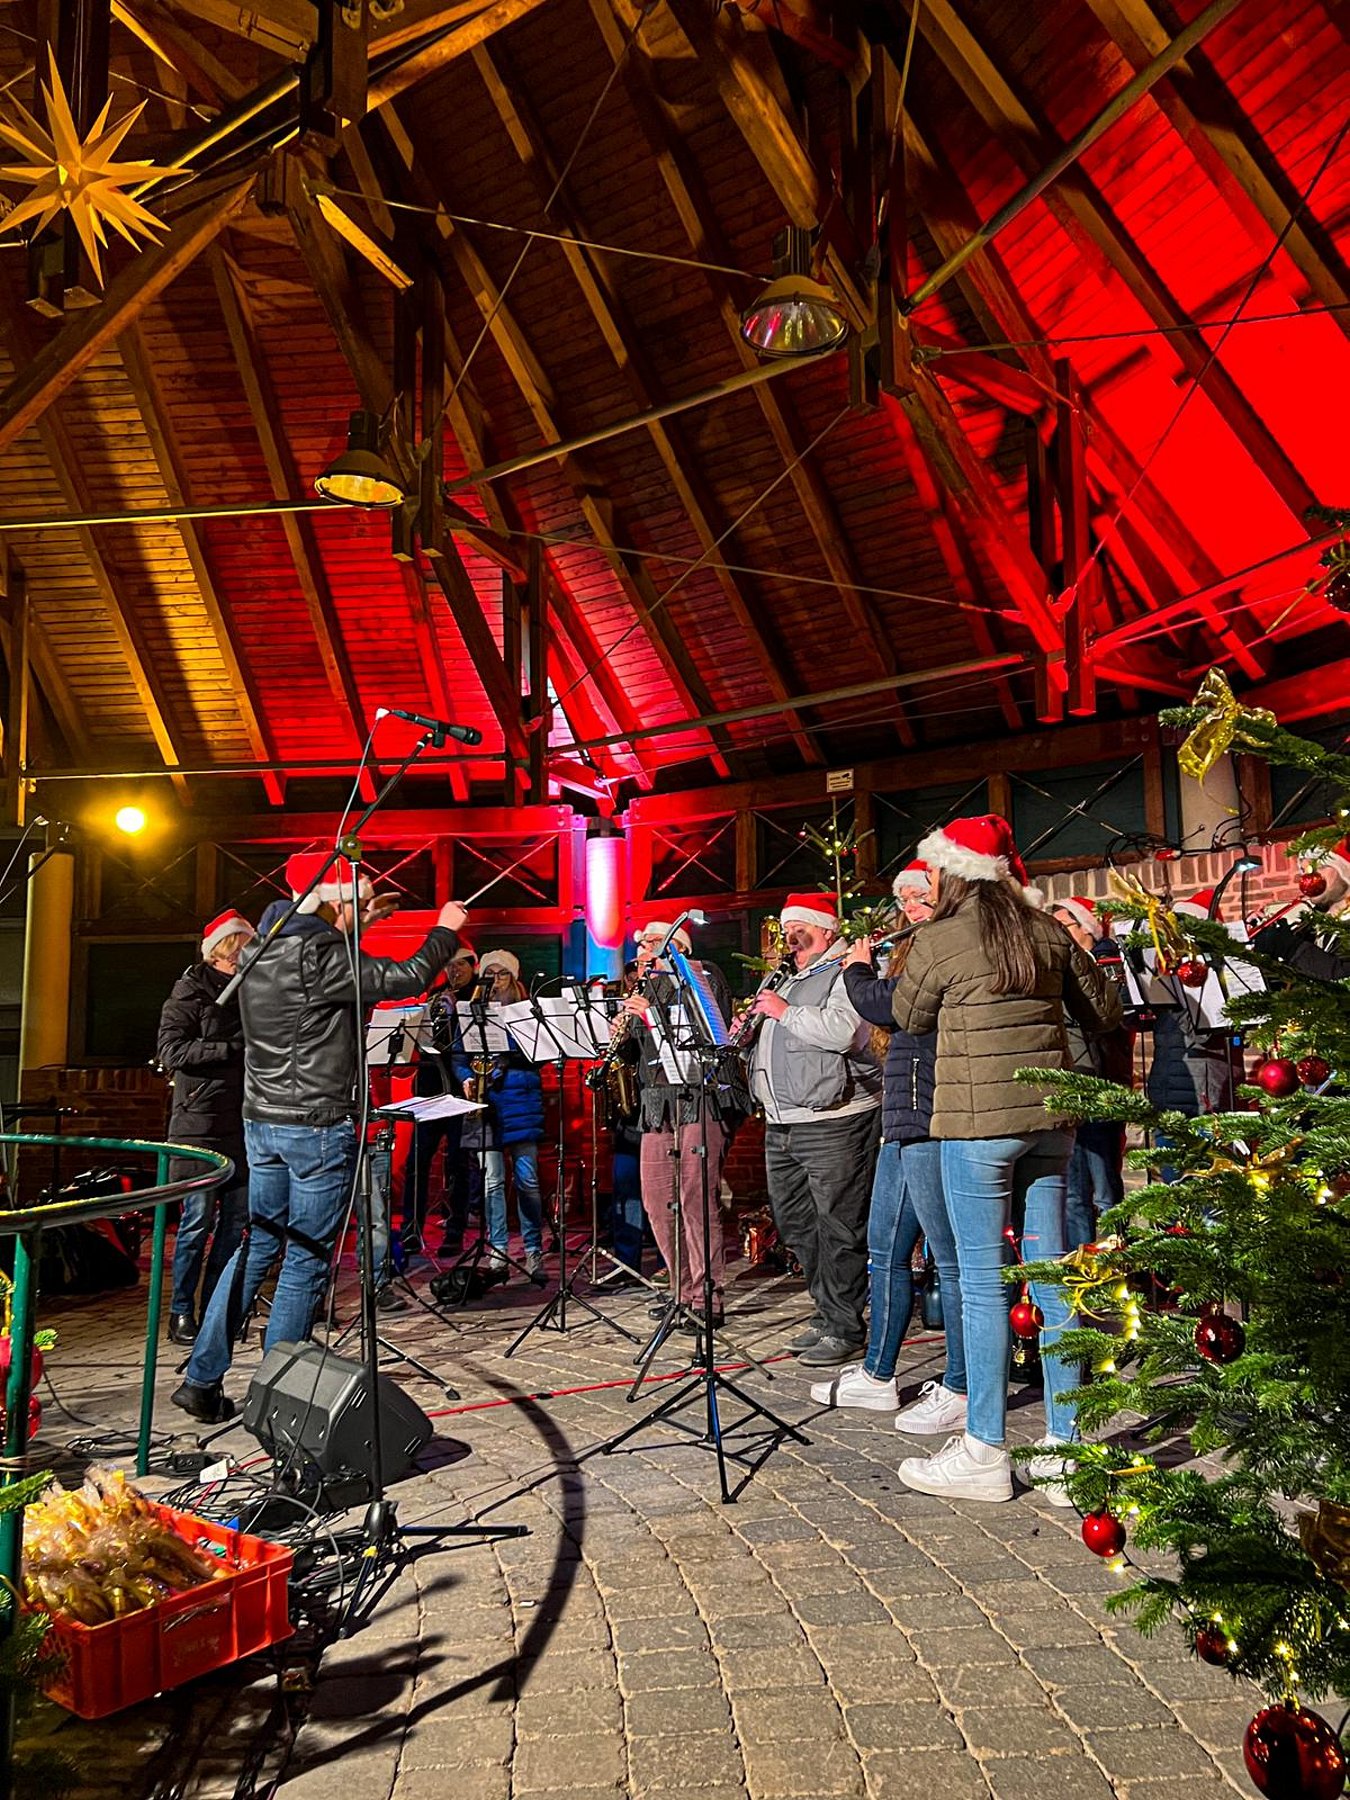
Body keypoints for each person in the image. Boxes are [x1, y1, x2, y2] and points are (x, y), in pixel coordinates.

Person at [171, 855, 467, 1423]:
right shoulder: (323, 955)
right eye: (359, 904)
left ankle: (202, 1379)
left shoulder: (260, 949)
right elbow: (405, 977)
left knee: (257, 1245)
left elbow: (325, 970)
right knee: (305, 1261)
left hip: (263, 1121)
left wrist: (359, 921)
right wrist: (444, 931)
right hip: (316, 1125)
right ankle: (278, 1397)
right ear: (335, 904)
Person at [889, 816, 1122, 1503]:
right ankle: (1065, 1450)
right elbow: (1104, 1010)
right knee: (1053, 1281)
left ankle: (984, 1450)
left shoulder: (940, 937)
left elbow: (908, 1016)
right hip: (1050, 1124)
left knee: (985, 1284)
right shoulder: (1046, 930)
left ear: (953, 873)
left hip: (976, 1128)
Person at [814, 862, 969, 1431]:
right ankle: (879, 1375)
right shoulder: (912, 949)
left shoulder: (944, 947)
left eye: (919, 896)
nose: (909, 907)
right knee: (884, 1251)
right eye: (902, 897)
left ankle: (961, 1386)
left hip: (932, 1116)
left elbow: (887, 1005)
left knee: (950, 1261)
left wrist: (857, 971)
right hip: (901, 1118)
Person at [746, 893, 883, 1369]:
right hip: (782, 1120)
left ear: (827, 930)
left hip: (833, 1119)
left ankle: (846, 1327)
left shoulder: (845, 971)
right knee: (796, 1224)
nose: (790, 935)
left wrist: (784, 1012)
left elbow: (846, 1032)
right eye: (786, 928)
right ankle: (826, 1315)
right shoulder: (786, 976)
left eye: (801, 926)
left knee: (839, 1225)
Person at [619, 920, 737, 1328]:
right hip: (656, 1104)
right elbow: (637, 1055)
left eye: (652, 943)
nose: (642, 950)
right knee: (656, 1201)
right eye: (640, 944)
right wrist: (620, 1031)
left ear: (678, 948)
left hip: (699, 1098)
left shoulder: (703, 976)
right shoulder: (643, 989)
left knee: (695, 1199)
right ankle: (681, 1291)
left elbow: (708, 1032)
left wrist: (650, 1016)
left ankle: (708, 1298)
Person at [156, 910, 255, 1346]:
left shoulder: (252, 991)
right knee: (197, 1223)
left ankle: (216, 1306)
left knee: (235, 1225)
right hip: (199, 1124)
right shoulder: (189, 992)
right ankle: (181, 1310)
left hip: (243, 1119)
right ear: (219, 952)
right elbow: (172, 1051)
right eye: (238, 952)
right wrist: (232, 1048)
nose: (243, 959)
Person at [451, 949, 547, 1282]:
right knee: (492, 1181)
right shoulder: (473, 1011)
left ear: (513, 978)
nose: (494, 980)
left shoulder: (526, 1012)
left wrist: (506, 1046)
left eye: (501, 974)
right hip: (486, 1104)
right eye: (489, 974)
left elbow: (539, 1056)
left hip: (521, 1102)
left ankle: (533, 1250)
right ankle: (498, 1250)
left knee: (527, 1181)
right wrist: (466, 1076)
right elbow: (459, 1055)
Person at [1050, 895, 1134, 1249]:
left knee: (1105, 1189)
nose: (1055, 933)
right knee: (1073, 1192)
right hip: (1068, 1087)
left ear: (1085, 928)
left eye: (1062, 926)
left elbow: (1109, 1017)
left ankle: (1118, 1260)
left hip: (1100, 1086)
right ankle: (1082, 1264)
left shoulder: (1107, 963)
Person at [400, 942, 479, 1259]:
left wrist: (457, 1013)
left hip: (460, 1090)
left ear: (472, 965)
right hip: (430, 1089)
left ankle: (455, 1231)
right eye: (449, 965)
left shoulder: (477, 997)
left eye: (460, 964)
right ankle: (411, 1231)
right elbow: (419, 1045)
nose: (454, 971)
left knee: (458, 1164)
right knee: (416, 1163)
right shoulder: (435, 996)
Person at [1144, 888, 1243, 1119]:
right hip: (1165, 1091)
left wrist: (1177, 994)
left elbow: (1204, 1033)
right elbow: (1132, 1021)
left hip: (1205, 1095)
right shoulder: (1172, 972)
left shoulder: (1221, 973)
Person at [1252, 838, 1350, 983]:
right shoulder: (1312, 925)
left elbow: (1342, 978)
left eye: (1319, 867)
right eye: (1304, 871)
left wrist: (1290, 947)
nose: (1309, 879)